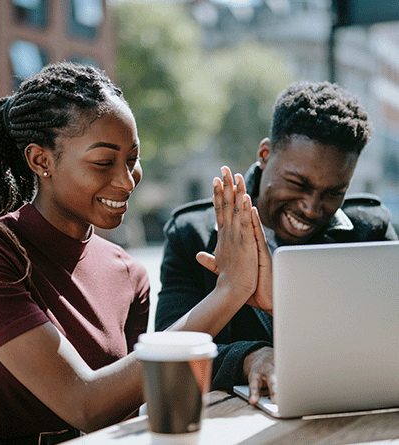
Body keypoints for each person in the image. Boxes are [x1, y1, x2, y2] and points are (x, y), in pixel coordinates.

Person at [0, 62, 270, 444]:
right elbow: (86, 404)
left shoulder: (129, 274)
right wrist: (229, 292)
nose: (127, 181)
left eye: (132, 159)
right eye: (104, 162)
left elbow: (119, 418)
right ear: (40, 160)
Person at [155, 80, 398, 405]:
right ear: (265, 154)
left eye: (333, 193)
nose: (311, 208)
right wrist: (249, 357)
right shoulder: (193, 235)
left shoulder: (370, 232)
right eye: (298, 183)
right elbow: (167, 350)